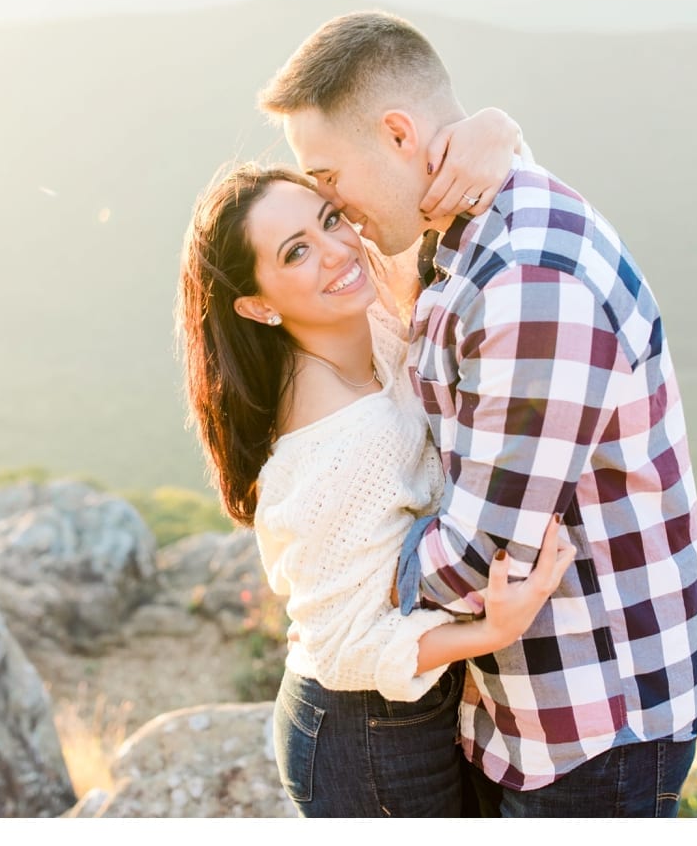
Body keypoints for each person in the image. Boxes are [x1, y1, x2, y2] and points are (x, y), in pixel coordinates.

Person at [257, 10, 697, 818]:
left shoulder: (530, 287)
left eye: (328, 179)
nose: (332, 208)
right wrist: (499, 132)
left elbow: (485, 556)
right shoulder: (457, 223)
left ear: (398, 133)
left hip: (593, 724)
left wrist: (355, 583)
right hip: (521, 706)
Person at [176, 151, 578, 818]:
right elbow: (341, 646)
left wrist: (497, 133)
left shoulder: (368, 320)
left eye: (332, 219)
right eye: (297, 252)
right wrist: (490, 629)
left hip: (394, 716)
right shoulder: (339, 440)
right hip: (363, 733)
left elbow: (424, 204)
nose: (338, 250)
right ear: (257, 304)